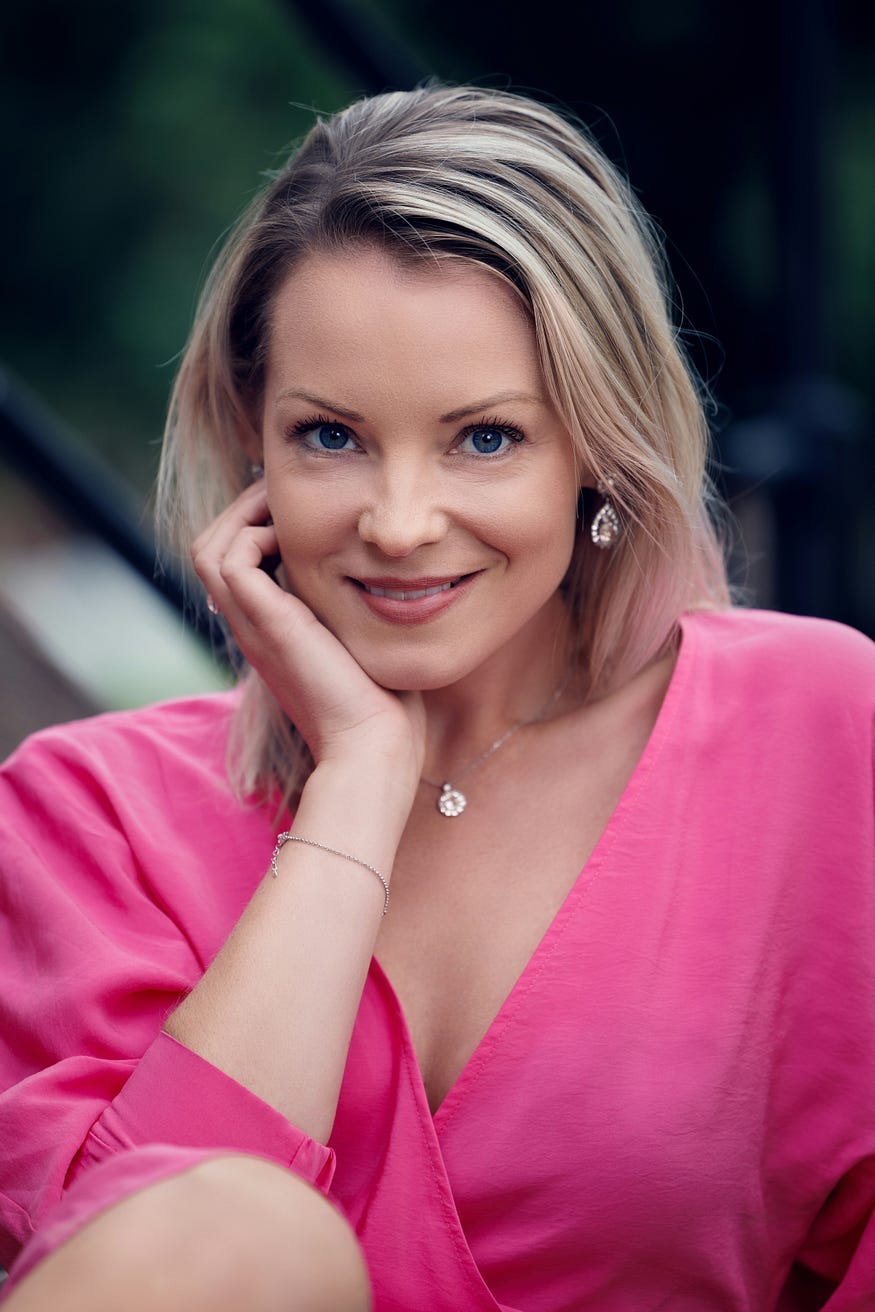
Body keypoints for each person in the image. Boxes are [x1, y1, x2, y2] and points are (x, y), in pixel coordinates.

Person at [0, 83, 873, 1312]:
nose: (399, 525)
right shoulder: (88, 811)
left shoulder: (816, 728)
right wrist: (357, 781)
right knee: (225, 1223)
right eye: (331, 437)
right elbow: (111, 1257)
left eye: (482, 440)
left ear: (594, 443)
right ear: (253, 433)